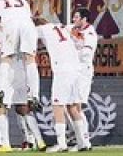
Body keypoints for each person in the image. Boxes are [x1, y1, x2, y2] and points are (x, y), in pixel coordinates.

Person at [33, 16, 88, 152]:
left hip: (63, 70)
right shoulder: (61, 27)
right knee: (73, 106)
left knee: (58, 105)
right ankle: (83, 143)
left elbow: (30, 40)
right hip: (76, 68)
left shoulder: (40, 29)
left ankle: (61, 144)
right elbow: (79, 35)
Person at [0, 0, 40, 112]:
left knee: (6, 59)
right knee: (30, 59)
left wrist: (0, 29)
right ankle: (34, 95)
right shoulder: (22, 0)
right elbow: (29, 17)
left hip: (10, 25)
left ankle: (1, 91)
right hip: (28, 25)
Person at [69, 7, 98, 151]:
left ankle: (84, 141)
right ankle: (81, 139)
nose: (73, 20)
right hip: (74, 71)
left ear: (84, 19)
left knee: (76, 106)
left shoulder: (90, 33)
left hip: (83, 72)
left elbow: (86, 54)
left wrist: (71, 52)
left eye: (76, 17)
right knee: (71, 106)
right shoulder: (74, 29)